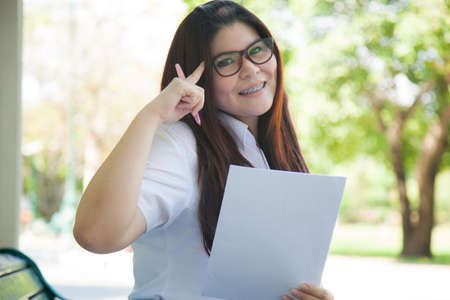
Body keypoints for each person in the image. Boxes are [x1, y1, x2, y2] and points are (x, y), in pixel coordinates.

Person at [73, 1, 334, 299]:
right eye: (225, 62)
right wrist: (151, 116)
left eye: (258, 50)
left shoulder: (262, 148)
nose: (250, 69)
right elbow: (95, 235)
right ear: (194, 76)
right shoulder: (180, 146)